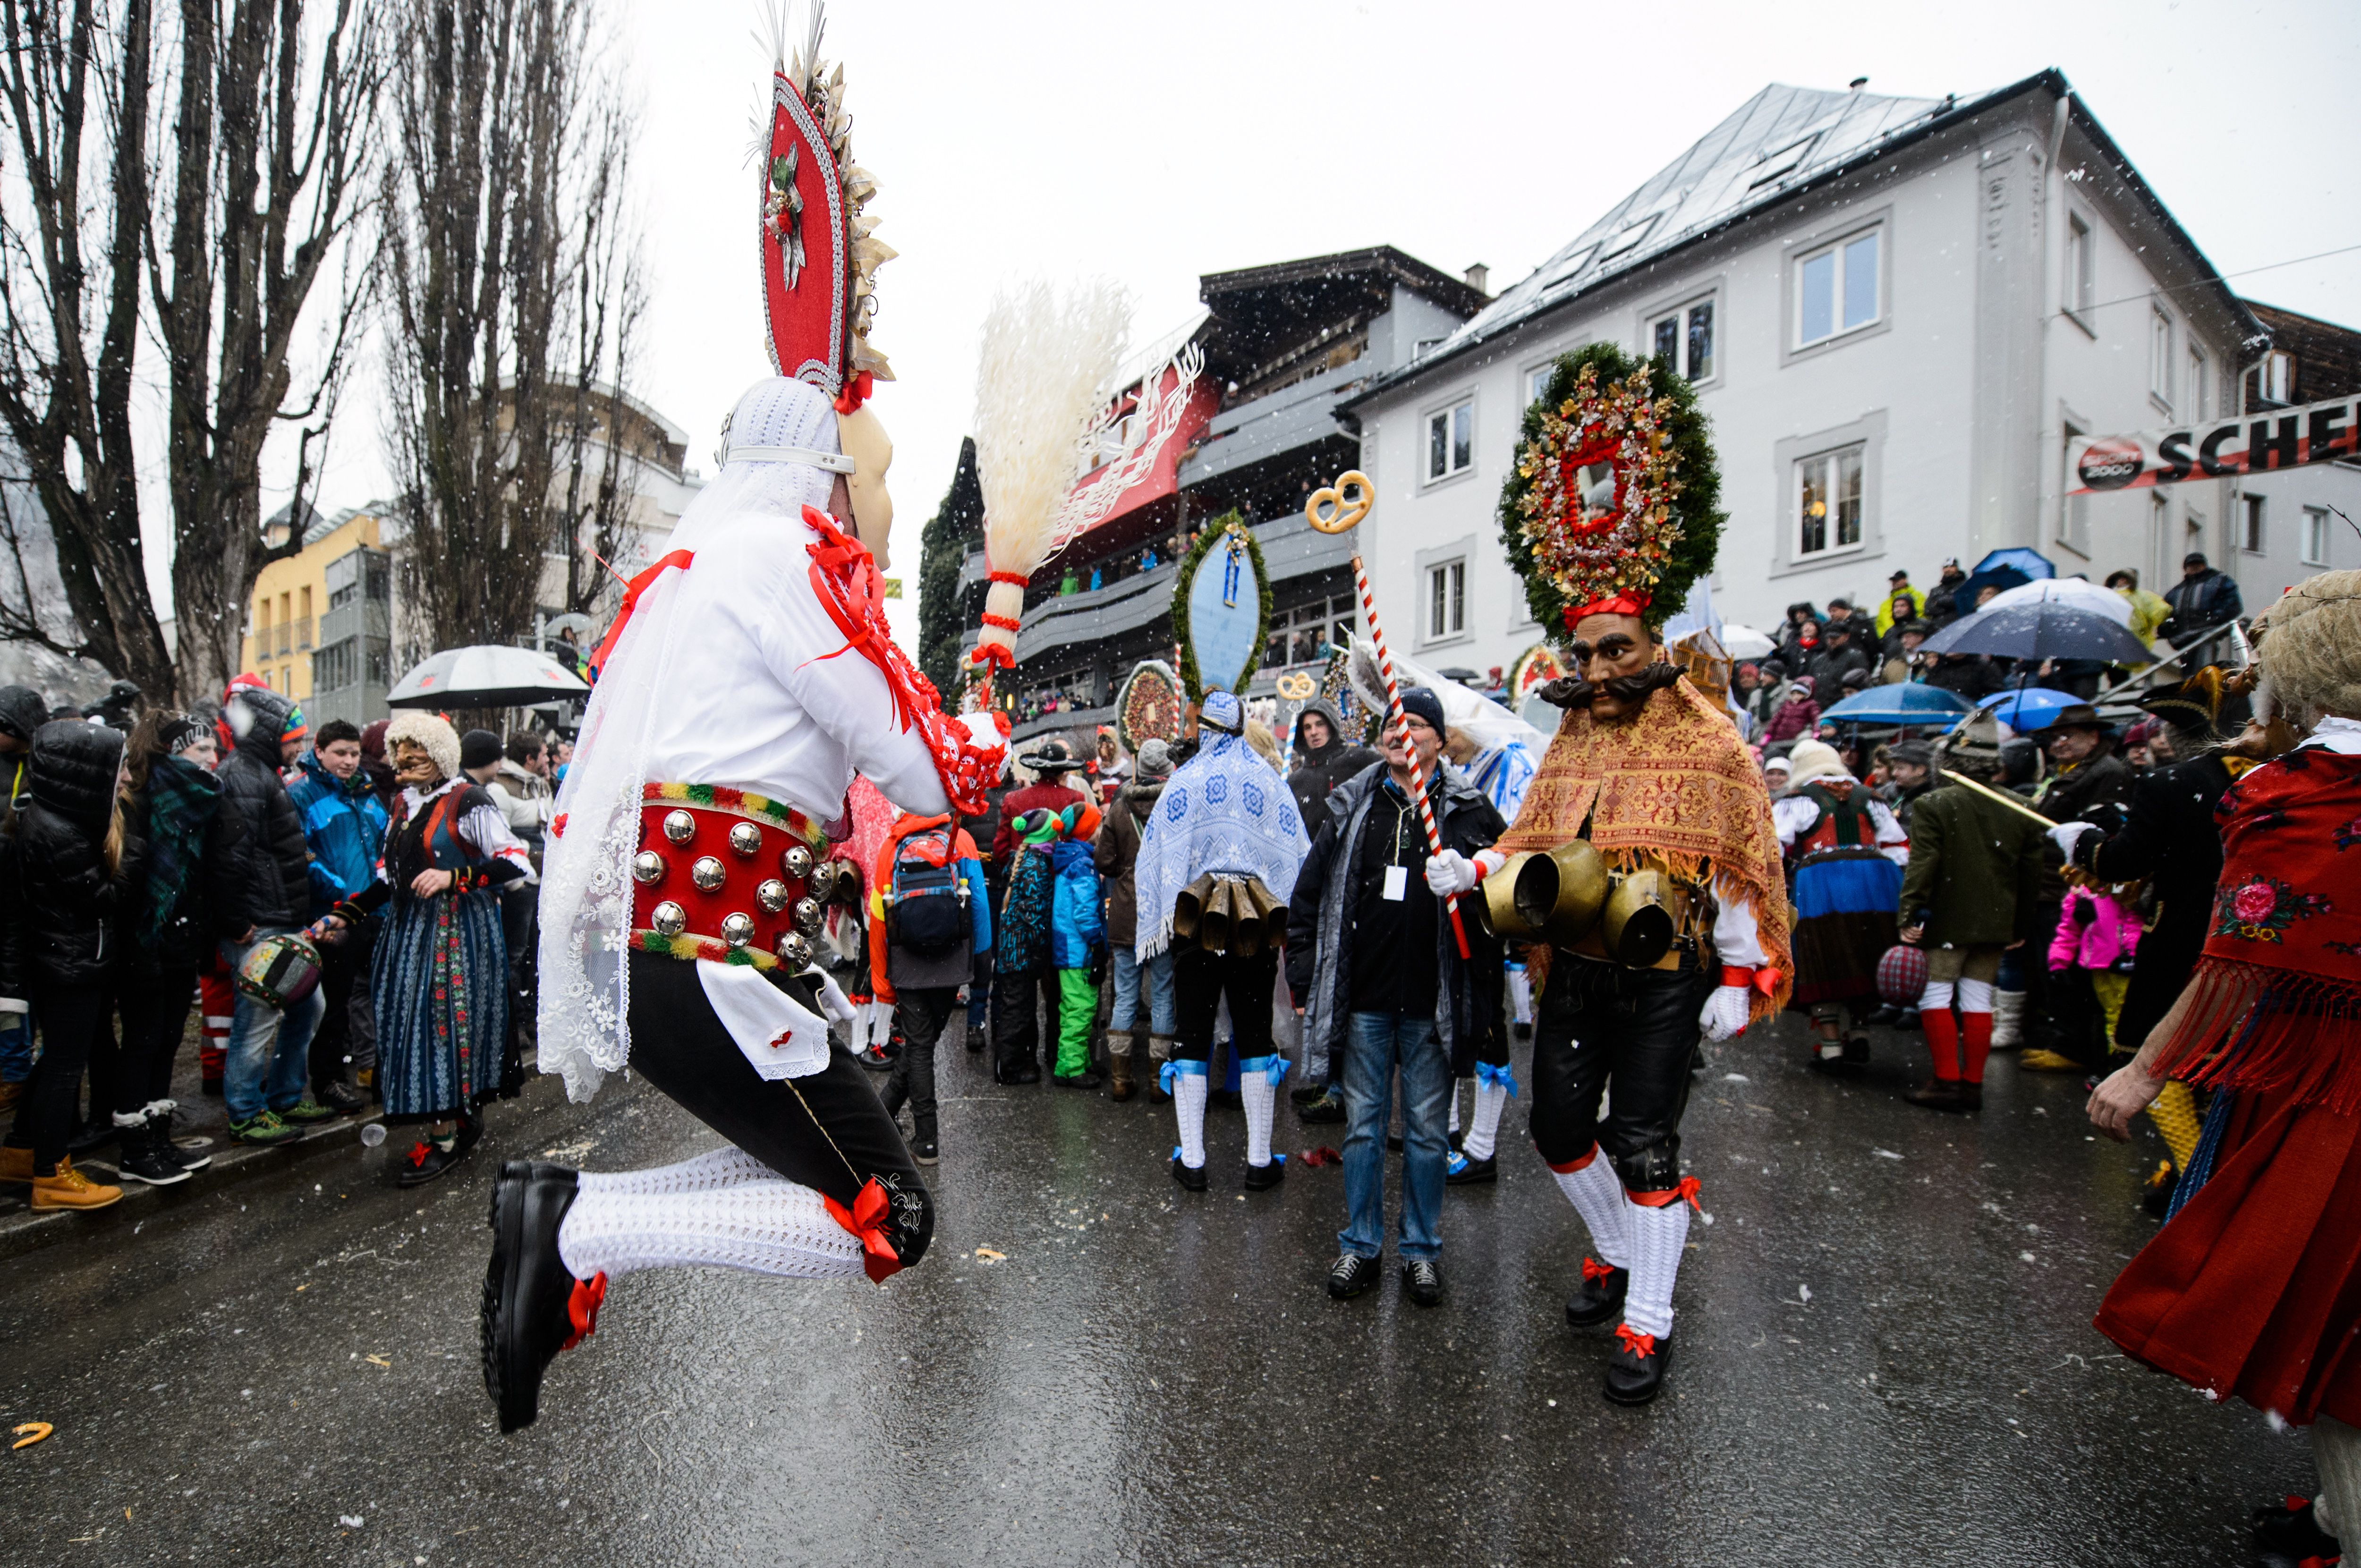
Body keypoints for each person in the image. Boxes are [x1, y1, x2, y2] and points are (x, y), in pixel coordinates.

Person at [2085, 570, 2361, 1563]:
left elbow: (2236, 964)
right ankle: (2330, 1519)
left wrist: (2142, 1071)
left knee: (2331, 1325)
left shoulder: (2292, 797)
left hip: (2330, 1091)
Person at [1290, 686, 1502, 1304]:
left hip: (1433, 1002)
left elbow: (1507, 880)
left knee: (1428, 1134)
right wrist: (1304, 975)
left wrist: (1471, 876)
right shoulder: (1355, 804)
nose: (1396, 732)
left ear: (1438, 738)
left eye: (1412, 724)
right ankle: (1360, 1245)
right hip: (1366, 1000)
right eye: (1390, 723)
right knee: (1361, 1130)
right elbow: (1310, 896)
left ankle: (1421, 1251)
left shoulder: (1465, 809)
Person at [2052, 669, 2242, 1210]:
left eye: (2162, 726)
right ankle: (2209, 1169)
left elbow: (2122, 861)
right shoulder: (2273, 774)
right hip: (2254, 938)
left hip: (2184, 937)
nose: (2155, 737)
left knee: (2156, 1057)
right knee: (2225, 1068)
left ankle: (2190, 1172)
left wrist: (2083, 842)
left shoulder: (2173, 784)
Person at [322, 713, 530, 1186]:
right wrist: (348, 913)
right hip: (408, 931)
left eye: (416, 751)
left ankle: (446, 1134)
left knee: (441, 1025)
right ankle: (457, 1117)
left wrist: (455, 878)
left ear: (441, 756)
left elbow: (514, 863)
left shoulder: (468, 800)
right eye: (399, 751)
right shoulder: (402, 802)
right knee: (406, 1024)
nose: (404, 760)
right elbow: (386, 877)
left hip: (457, 932)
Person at [1131, 689, 1308, 1193]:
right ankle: (1257, 1161)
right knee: (1254, 1034)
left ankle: (1192, 1160)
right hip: (1255, 926)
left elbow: (1156, 854)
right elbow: (1295, 850)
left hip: (1197, 924)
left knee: (1193, 1031)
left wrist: (1163, 910)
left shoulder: (1185, 781)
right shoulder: (1268, 781)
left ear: (1205, 729)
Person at [110, 712, 244, 1185]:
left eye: (213, 748)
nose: (213, 757)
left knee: (166, 1040)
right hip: (145, 942)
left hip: (183, 939)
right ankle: (133, 1145)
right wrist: (144, 944)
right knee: (144, 1041)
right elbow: (135, 885)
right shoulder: (141, 801)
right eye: (201, 749)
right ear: (172, 752)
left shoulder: (201, 800)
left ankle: (158, 1134)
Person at [0, 721, 130, 1211]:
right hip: (70, 964)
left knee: (55, 1060)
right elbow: (102, 899)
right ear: (85, 771)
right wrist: (130, 855)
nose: (124, 779)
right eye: (116, 768)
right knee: (63, 1068)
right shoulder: (61, 832)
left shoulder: (46, 818)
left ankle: (20, 1150)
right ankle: (52, 1174)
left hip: (62, 960)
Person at [1893, 712, 2044, 1111]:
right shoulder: (2022, 807)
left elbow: (1923, 864)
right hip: (1997, 920)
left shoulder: (1934, 803)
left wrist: (1908, 912)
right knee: (1978, 999)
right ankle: (1973, 1086)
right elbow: (2032, 874)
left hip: (1949, 916)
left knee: (1936, 996)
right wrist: (2020, 923)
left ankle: (1946, 1080)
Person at [213, 685, 335, 1145]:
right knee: (258, 1018)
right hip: (258, 921)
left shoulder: (258, 772)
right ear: (269, 735)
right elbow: (229, 859)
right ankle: (245, 1112)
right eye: (295, 739)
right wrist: (237, 922)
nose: (301, 749)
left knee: (307, 1006)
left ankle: (283, 1094)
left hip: (276, 916)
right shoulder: (244, 777)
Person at [1775, 738, 1907, 1070]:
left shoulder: (1799, 799)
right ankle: (1860, 1033)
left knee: (1824, 956)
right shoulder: (1871, 797)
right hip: (1876, 881)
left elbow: (1773, 845)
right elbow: (1898, 847)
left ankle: (1831, 1045)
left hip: (1821, 881)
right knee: (1866, 954)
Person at [2019, 703, 2136, 1072]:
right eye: (2055, 738)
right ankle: (2062, 1038)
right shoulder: (2064, 772)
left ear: (2094, 736)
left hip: (2074, 886)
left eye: (2068, 735)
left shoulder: (2109, 773)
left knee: (2069, 970)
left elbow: (2097, 827)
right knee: (2050, 966)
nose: (2060, 743)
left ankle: (2076, 1046)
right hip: (2049, 881)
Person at [872, 808, 990, 1164]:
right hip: (951, 959)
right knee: (924, 1042)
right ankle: (904, 1124)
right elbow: (980, 905)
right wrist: (982, 966)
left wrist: (882, 982)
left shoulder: (892, 844)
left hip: (907, 959)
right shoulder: (961, 839)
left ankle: (917, 1134)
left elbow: (878, 917)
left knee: (919, 1045)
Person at [288, 717, 387, 1114]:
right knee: (333, 1003)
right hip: (332, 915)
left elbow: (383, 845)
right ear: (319, 752)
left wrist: (378, 890)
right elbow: (302, 855)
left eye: (354, 753)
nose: (349, 761)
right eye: (340, 753)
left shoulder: (367, 794)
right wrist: (346, 897)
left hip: (374, 912)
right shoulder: (301, 795)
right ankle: (327, 1082)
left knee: (378, 996)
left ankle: (379, 1072)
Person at [988, 738, 1094, 1082]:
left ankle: (1021, 1058)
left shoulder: (1015, 800)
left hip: (1022, 899)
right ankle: (1058, 1053)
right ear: (1065, 772)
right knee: (1060, 988)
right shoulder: (1074, 800)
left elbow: (1002, 849)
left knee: (1019, 990)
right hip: (1062, 903)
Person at [1094, 738, 1174, 1101]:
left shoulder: (1118, 807)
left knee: (1125, 995)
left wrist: (1127, 869)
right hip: (1164, 913)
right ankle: (1159, 1082)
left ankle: (1121, 1080)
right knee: (1162, 995)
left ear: (1139, 770)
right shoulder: (1176, 805)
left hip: (1127, 910)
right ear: (1168, 771)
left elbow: (1103, 861)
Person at [485, 731, 555, 1092]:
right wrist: (531, 856)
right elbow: (502, 837)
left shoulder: (540, 785)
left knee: (537, 953)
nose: (548, 758)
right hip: (521, 882)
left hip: (542, 879)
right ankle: (515, 1023)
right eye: (543, 753)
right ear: (529, 758)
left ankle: (533, 1019)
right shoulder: (502, 788)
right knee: (516, 953)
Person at [0, 685, 48, 1112]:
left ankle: (20, 1070)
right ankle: (14, 1070)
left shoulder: (41, 764)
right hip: (9, 890)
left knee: (24, 985)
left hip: (33, 892)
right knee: (10, 987)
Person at [1285, 696, 1380, 828]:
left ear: (1331, 725)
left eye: (1320, 724)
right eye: (1307, 727)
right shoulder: (1294, 782)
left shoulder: (1360, 761)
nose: (1314, 732)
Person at [2159, 551, 2244, 646]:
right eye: (2191, 565)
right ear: (2186, 569)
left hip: (2209, 634)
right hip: (2183, 639)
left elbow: (2233, 606)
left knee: (2204, 656)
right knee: (2191, 659)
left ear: (2205, 566)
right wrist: (2166, 627)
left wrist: (2214, 618)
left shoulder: (2220, 582)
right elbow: (2164, 612)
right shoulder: (2177, 591)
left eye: (2198, 565)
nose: (2195, 567)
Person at [2105, 568, 2171, 651]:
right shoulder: (2144, 597)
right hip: (2136, 647)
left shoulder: (2108, 595)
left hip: (2111, 645)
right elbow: (2162, 611)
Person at [1762, 673, 1820, 743]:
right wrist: (1768, 734)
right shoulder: (1787, 704)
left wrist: (1816, 731)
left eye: (1799, 693)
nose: (1796, 696)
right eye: (1794, 694)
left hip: (1794, 740)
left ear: (1807, 694)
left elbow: (1816, 719)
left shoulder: (1811, 705)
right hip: (1779, 738)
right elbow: (1776, 720)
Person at [1874, 571, 1923, 638]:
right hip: (1892, 639)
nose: (1894, 583)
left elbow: (1921, 614)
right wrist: (1886, 638)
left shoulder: (1918, 596)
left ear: (1905, 580)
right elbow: (1880, 625)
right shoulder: (1885, 605)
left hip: (1913, 636)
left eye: (1897, 580)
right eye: (1893, 581)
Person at [1921, 559, 1968, 627]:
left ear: (1957, 568)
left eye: (1951, 567)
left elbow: (1959, 601)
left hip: (1958, 624)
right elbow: (1928, 610)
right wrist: (1949, 607)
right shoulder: (1935, 590)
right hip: (1937, 628)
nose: (1948, 569)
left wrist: (1938, 602)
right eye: (1946, 567)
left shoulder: (1965, 585)